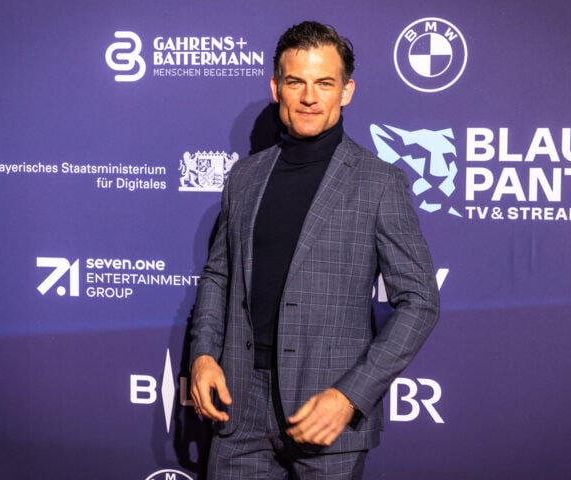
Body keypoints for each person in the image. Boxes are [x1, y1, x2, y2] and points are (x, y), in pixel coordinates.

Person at [189, 20, 440, 479]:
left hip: (326, 414)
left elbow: (421, 302)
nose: (309, 97)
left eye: (324, 83)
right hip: (237, 410)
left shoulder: (379, 183)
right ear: (276, 88)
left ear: (346, 91)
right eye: (295, 82)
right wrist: (203, 354)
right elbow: (218, 275)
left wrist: (350, 396)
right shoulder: (245, 177)